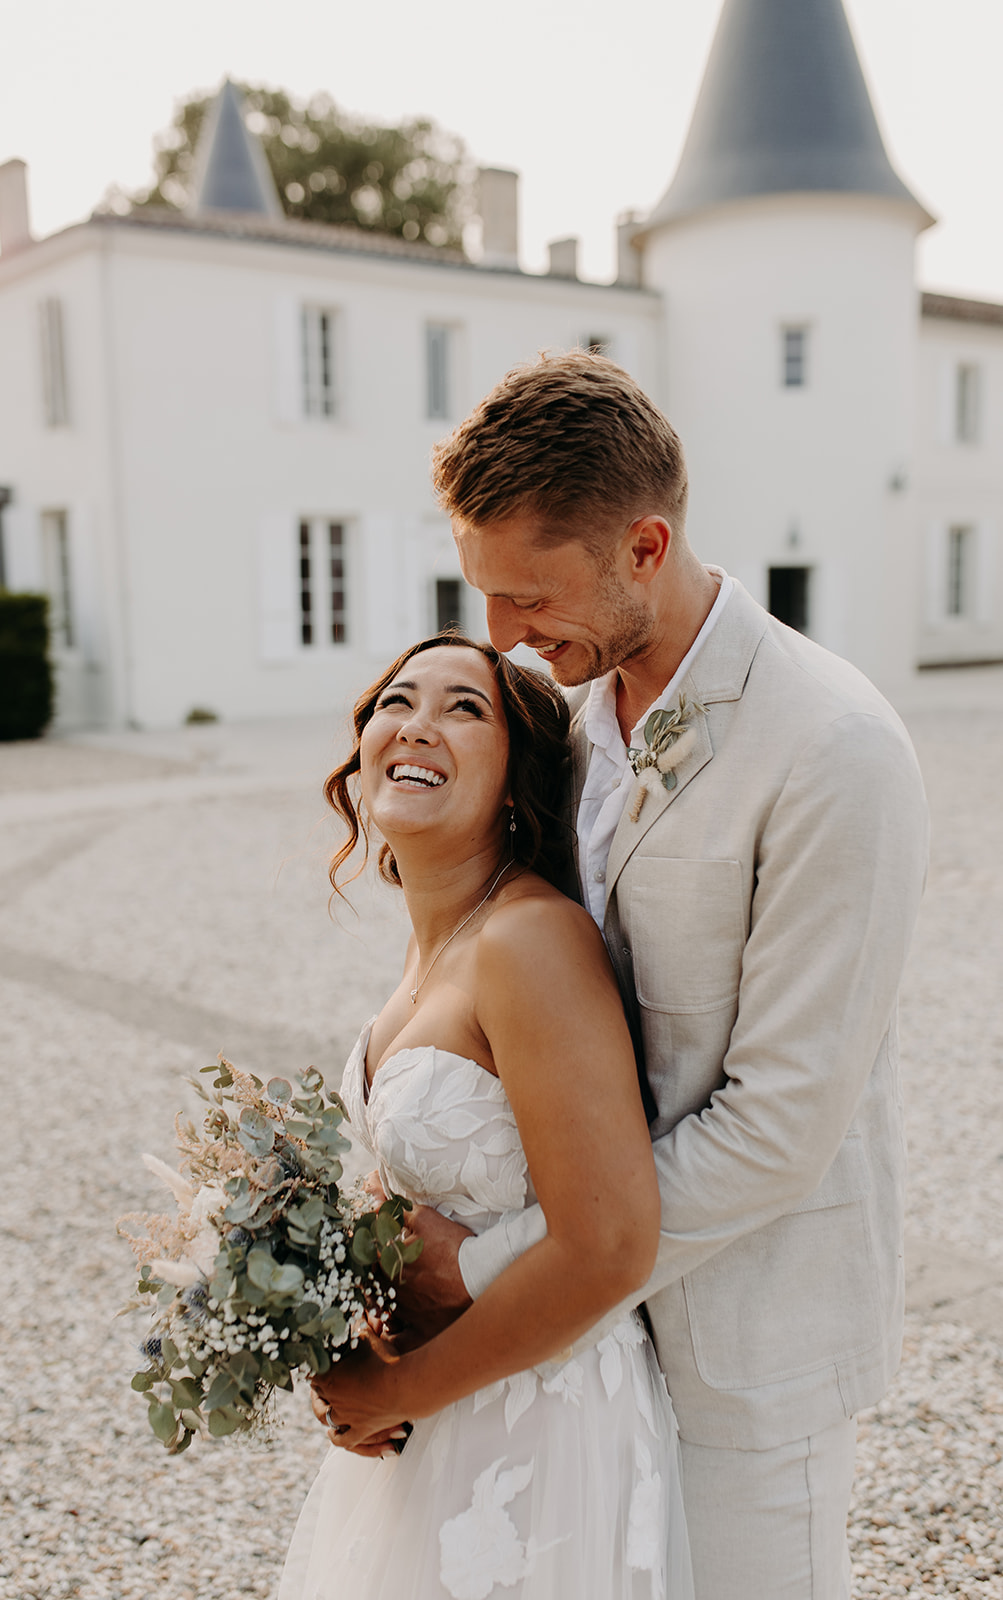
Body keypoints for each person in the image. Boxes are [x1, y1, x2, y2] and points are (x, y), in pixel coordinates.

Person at [370, 351, 930, 1600]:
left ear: (644, 545)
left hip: (745, 1351)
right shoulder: (567, 718)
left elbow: (779, 1125)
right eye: (485, 596)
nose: (503, 637)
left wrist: (494, 1264)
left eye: (527, 599)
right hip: (573, 1364)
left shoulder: (831, 751)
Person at [280, 634, 695, 1599]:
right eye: (397, 700)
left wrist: (392, 1392)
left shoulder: (530, 940)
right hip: (446, 1411)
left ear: (516, 787)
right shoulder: (428, 958)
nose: (417, 723)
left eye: (465, 709)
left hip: (538, 1428)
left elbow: (608, 1245)